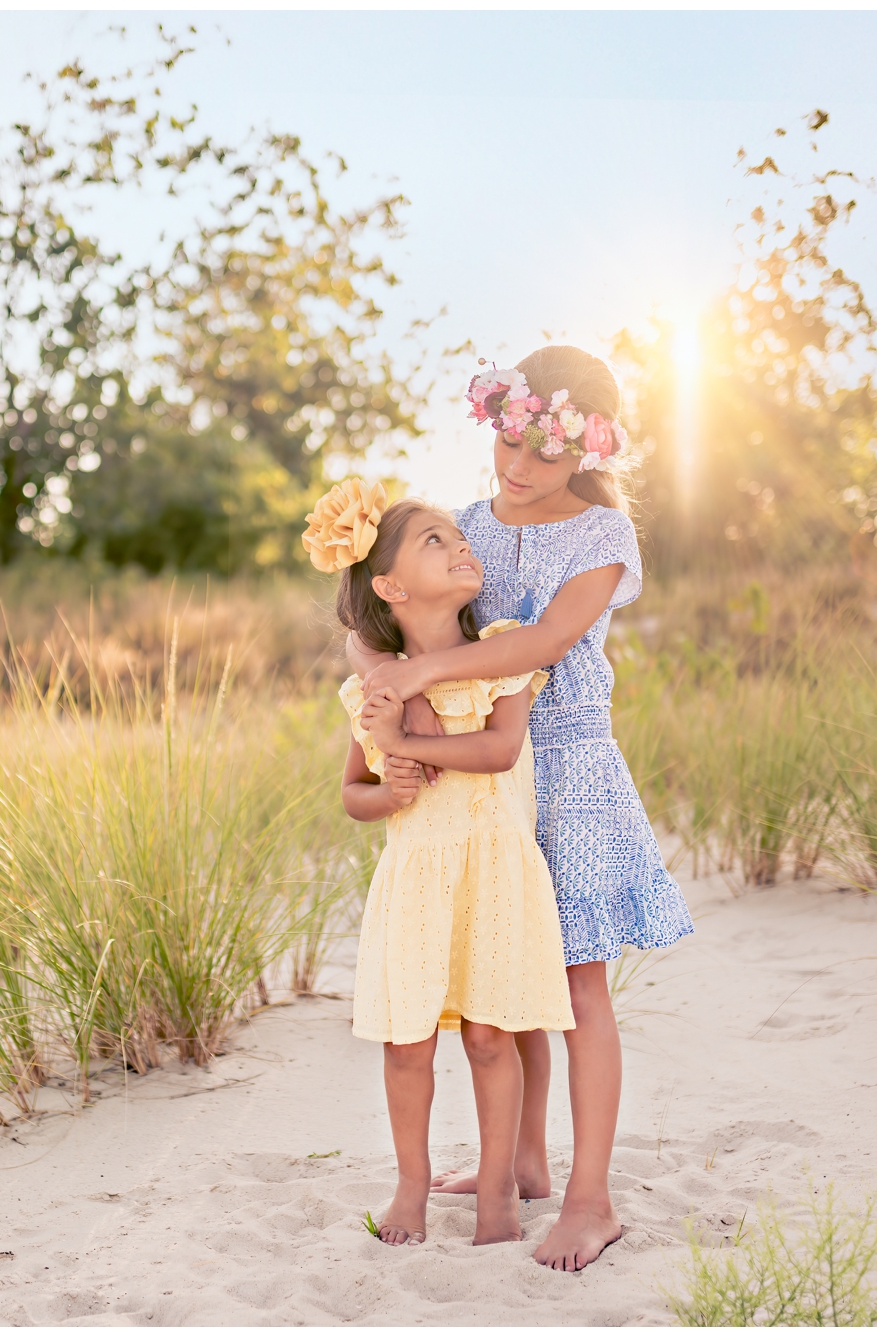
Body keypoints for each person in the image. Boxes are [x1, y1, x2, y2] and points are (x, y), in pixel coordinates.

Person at [348, 345, 695, 1272]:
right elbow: (371, 619)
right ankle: (527, 1161)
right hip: (477, 782)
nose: (521, 466)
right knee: (510, 978)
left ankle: (592, 1196)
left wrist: (422, 671)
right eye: (510, 440)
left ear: (587, 450)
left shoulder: (601, 538)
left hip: (568, 765)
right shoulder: (460, 526)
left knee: (577, 982)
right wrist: (384, 679)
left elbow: (541, 640)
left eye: (547, 451)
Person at [308, 480, 574, 1251]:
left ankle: (497, 1186)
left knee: (491, 1036)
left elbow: (498, 751)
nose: (461, 544)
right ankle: (411, 1181)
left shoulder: (499, 651)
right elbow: (353, 793)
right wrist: (386, 786)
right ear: (389, 586)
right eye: (435, 539)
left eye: (459, 535)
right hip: (419, 879)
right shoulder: (374, 688)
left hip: (494, 873)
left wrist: (410, 746)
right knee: (408, 1042)